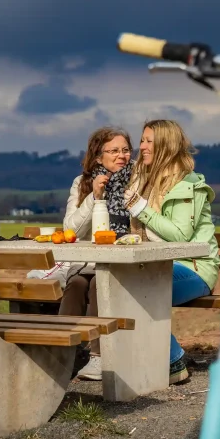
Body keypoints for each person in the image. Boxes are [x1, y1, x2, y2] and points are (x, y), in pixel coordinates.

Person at [123, 119, 220, 384]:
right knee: (125, 290)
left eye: (148, 141)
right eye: (141, 140)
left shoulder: (187, 186)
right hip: (161, 266)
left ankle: (174, 360)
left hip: (194, 268)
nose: (141, 146)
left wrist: (141, 209)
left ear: (165, 145)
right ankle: (153, 359)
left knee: (138, 295)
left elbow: (181, 236)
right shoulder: (145, 180)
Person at [59, 126, 134, 380]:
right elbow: (70, 229)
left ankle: (98, 358)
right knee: (77, 284)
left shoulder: (138, 180)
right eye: (113, 151)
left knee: (97, 286)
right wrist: (94, 197)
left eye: (125, 150)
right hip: (88, 261)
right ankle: (61, 354)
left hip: (124, 262)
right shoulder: (82, 184)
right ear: (98, 156)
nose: (121, 156)